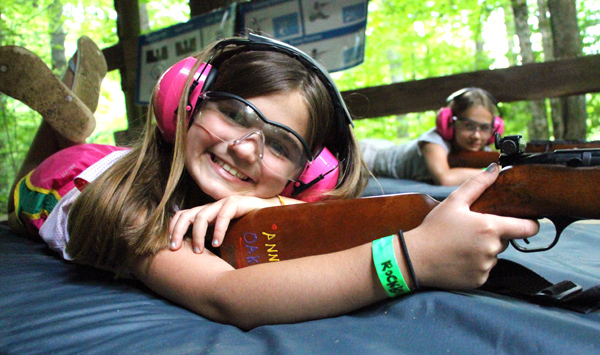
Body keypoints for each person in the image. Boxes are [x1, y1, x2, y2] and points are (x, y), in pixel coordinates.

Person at [2, 35, 538, 330]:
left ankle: (73, 111)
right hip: (64, 180)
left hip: (128, 162)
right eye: (234, 113)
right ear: (185, 102)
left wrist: (274, 203)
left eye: (280, 145)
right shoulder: (129, 208)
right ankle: (68, 122)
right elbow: (224, 295)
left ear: (309, 177)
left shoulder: (264, 186)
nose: (245, 148)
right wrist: (411, 259)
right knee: (50, 158)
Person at [360, 87, 505, 186]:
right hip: (366, 158)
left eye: (485, 128)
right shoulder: (432, 141)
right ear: (448, 122)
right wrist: (496, 171)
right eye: (468, 125)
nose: (477, 136)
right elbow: (445, 178)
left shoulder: (479, 149)